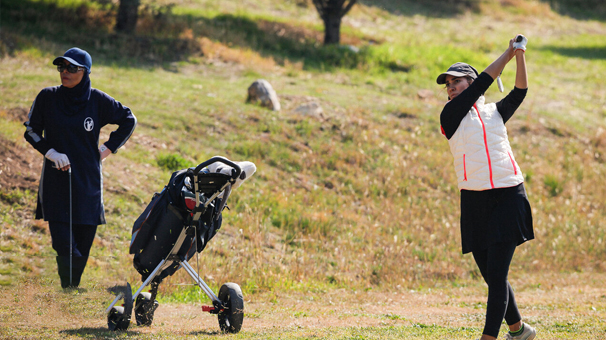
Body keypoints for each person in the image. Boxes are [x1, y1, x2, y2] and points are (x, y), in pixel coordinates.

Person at [436, 35, 536, 340]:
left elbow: (520, 91)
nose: (451, 87)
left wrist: (518, 55)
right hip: (474, 201)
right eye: (448, 84)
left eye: (457, 81)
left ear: (469, 81)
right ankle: (519, 330)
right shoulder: (449, 116)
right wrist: (506, 53)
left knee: (496, 275)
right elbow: (482, 84)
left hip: (509, 195)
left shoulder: (495, 112)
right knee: (491, 277)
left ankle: (488, 337)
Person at [24, 47, 137, 289]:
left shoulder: (98, 100)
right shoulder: (47, 97)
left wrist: (107, 149)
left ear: (85, 72)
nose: (65, 72)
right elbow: (31, 130)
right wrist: (50, 153)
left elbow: (129, 119)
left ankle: (72, 288)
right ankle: (69, 286)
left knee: (84, 240)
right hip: (56, 179)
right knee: (63, 242)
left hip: (88, 181)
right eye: (61, 67)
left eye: (72, 68)